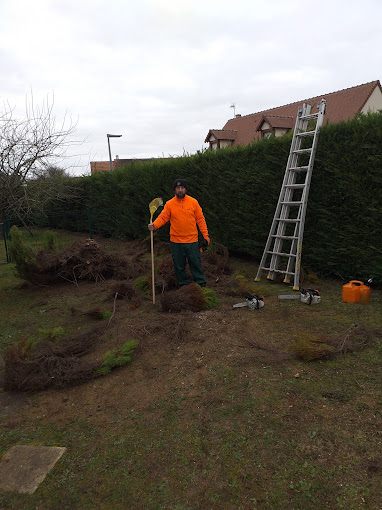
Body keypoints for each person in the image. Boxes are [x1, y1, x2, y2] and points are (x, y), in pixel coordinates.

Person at [148, 178, 209, 287]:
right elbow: (163, 217)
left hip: (192, 240)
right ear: (174, 190)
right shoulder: (170, 204)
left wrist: (205, 236)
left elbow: (200, 219)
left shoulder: (193, 202)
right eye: (177, 188)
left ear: (186, 189)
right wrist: (154, 225)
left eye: (182, 188)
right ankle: (183, 284)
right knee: (179, 265)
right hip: (176, 241)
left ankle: (200, 283)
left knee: (195, 263)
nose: (180, 190)